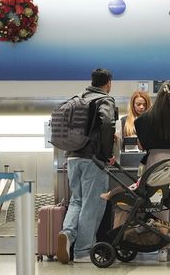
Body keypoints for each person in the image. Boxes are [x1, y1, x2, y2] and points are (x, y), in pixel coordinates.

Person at [57, 68, 117, 264]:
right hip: (92, 158)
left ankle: (67, 234)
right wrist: (107, 154)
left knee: (77, 201)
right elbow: (107, 123)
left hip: (72, 157)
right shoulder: (104, 99)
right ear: (108, 83)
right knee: (92, 204)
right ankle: (83, 250)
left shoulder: (78, 99)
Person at [134, 81, 170, 261]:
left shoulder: (143, 119)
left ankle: (162, 246)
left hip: (155, 161)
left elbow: (141, 145)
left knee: (158, 201)